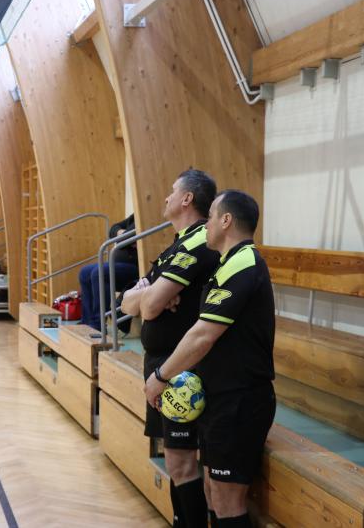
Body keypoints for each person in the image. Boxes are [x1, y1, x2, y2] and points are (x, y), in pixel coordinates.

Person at [143, 190, 276, 528]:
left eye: (212, 217)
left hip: (240, 400)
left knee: (228, 501)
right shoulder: (227, 263)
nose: (207, 226)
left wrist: (160, 376)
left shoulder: (244, 263)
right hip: (221, 397)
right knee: (214, 492)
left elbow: (203, 334)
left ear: (226, 220)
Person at [121, 168, 219, 528]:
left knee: (183, 462)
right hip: (160, 363)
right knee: (176, 463)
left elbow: (146, 308)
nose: (166, 197)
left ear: (187, 199)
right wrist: (152, 294)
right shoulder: (176, 245)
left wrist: (148, 297)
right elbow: (127, 303)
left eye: (172, 191)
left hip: (181, 369)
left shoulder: (198, 242)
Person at [78, 214, 138, 331]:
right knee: (84, 272)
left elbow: (124, 239)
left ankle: (98, 323)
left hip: (136, 267)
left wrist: (122, 236)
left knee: (100, 272)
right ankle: (87, 320)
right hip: (118, 265)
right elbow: (113, 229)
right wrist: (122, 233)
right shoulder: (134, 217)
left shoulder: (146, 216)